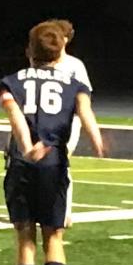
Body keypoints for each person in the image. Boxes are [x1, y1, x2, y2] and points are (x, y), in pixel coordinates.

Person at [0, 21, 105, 265]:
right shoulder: (74, 84)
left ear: (29, 50)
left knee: (25, 240)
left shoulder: (12, 81)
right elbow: (85, 113)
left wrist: (27, 144)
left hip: (22, 163)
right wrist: (97, 142)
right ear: (60, 55)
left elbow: (15, 116)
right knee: (54, 237)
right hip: (55, 166)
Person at [46, 19, 93, 227]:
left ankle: (64, 212)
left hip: (67, 121)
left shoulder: (75, 66)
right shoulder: (42, 62)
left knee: (61, 163)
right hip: (44, 122)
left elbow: (84, 97)